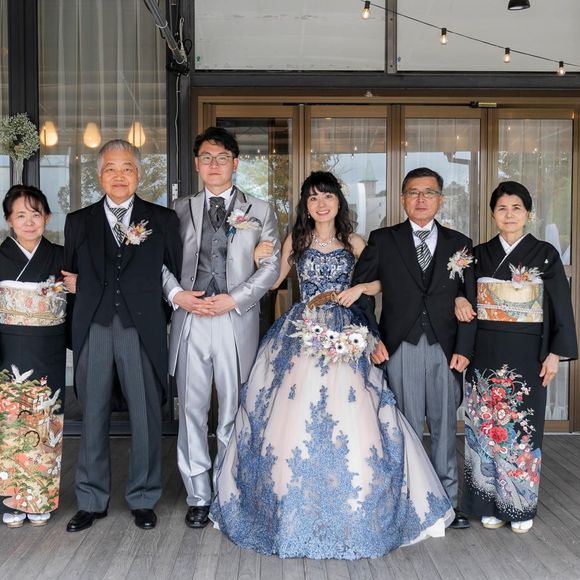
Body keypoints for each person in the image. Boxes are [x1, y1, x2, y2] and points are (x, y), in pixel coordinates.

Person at [210, 171, 454, 560]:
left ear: (339, 202)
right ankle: (289, 507)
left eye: (327, 197)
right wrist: (258, 255)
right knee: (292, 415)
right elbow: (273, 282)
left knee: (353, 414)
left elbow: (382, 281)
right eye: (313, 198)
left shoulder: (355, 242)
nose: (320, 204)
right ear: (305, 206)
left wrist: (359, 288)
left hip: (346, 330)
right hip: (302, 328)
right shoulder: (297, 241)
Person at [162, 127, 280, 529]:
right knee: (191, 410)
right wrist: (178, 295)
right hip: (190, 319)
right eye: (207, 158)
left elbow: (271, 267)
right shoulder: (178, 209)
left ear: (235, 163)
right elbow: (159, 262)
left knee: (233, 409)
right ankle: (198, 495)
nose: (214, 164)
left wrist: (235, 298)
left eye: (222, 157)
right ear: (197, 164)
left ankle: (228, 490)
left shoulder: (260, 209)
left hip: (235, 320)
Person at [62, 139, 182, 532]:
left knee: (146, 415)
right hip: (94, 327)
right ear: (99, 175)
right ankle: (91, 500)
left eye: (127, 168)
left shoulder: (161, 219)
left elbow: (171, 274)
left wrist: (154, 318)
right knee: (92, 412)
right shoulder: (78, 221)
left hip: (140, 329)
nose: (119, 176)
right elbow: (70, 278)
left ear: (139, 174)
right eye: (111, 168)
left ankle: (143, 497)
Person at [352, 167, 477, 530]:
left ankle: (448, 504)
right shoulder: (383, 240)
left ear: (440, 199)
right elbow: (360, 293)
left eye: (429, 193)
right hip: (399, 346)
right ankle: (409, 501)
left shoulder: (460, 243)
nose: (421, 199)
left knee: (444, 426)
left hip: (445, 347)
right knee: (403, 427)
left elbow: (470, 299)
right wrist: (371, 338)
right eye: (413, 193)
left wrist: (465, 348)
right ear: (403, 199)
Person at [454, 181, 577, 533]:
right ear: (493, 214)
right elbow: (462, 297)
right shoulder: (478, 254)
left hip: (528, 353)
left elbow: (560, 306)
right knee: (484, 428)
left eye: (516, 208)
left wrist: (554, 354)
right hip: (484, 351)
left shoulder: (545, 254)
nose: (509, 215)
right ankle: (486, 503)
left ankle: (519, 505)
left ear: (528, 213)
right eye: (502, 208)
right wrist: (458, 301)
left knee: (522, 429)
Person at [0, 185, 66, 528]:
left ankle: (39, 498)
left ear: (47, 218)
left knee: (45, 422)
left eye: (35, 214)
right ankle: (10, 500)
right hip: (7, 350)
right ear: (9, 221)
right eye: (20, 215)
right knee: (10, 425)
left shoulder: (61, 257)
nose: (28, 222)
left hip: (48, 349)